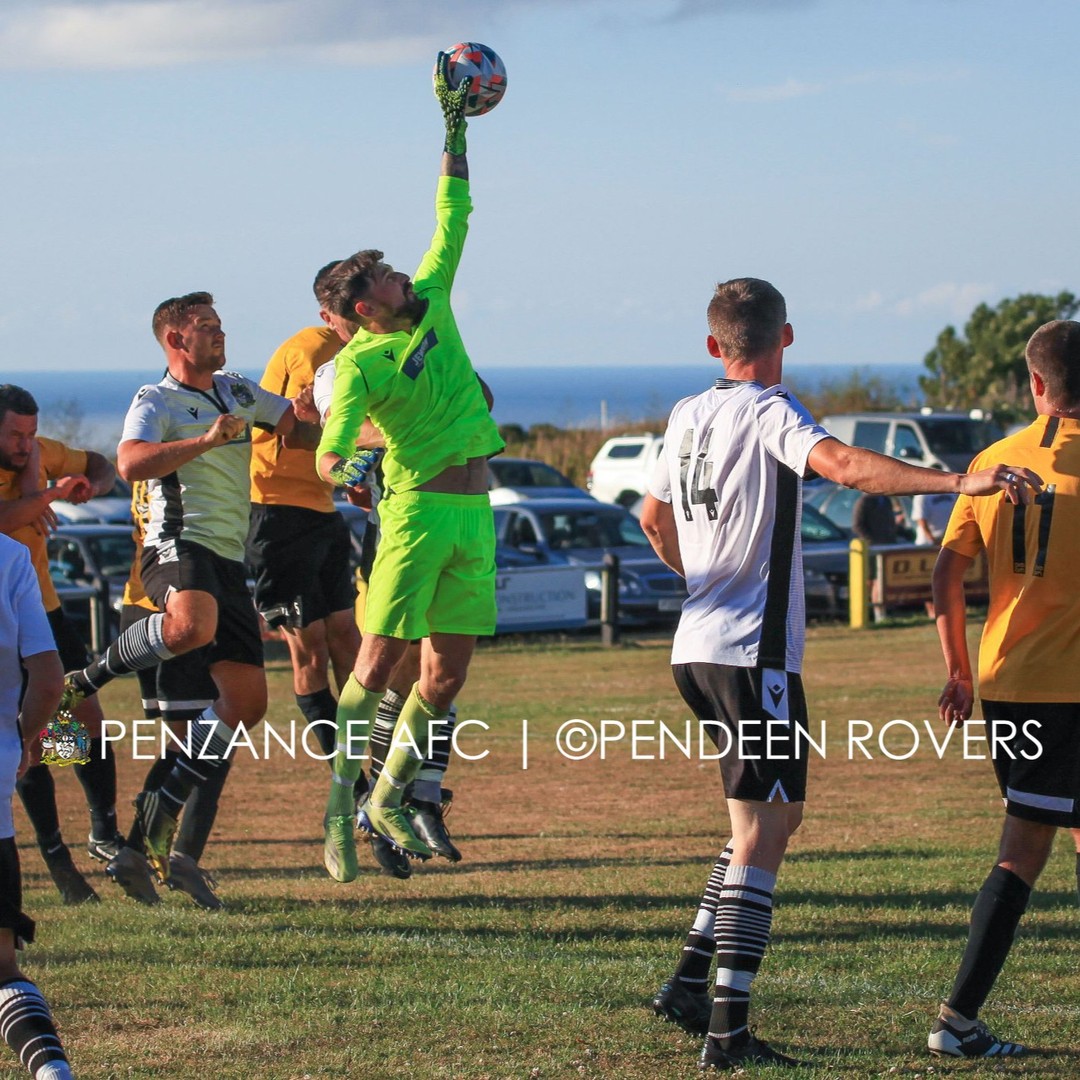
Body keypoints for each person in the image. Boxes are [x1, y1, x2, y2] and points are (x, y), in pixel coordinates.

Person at [638, 277, 1041, 1070]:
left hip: (697, 645)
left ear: (715, 346)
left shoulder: (687, 414)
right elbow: (848, 467)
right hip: (754, 654)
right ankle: (727, 1032)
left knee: (769, 821)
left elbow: (653, 518)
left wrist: (701, 583)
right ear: (785, 338)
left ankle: (690, 982)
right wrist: (963, 481)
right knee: (763, 833)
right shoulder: (769, 410)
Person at [56, 292, 322, 884]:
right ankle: (87, 687)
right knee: (188, 628)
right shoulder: (156, 399)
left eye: (220, 324)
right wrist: (205, 441)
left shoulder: (237, 390)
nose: (220, 334)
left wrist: (309, 413)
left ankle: (148, 833)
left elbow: (296, 433)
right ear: (176, 340)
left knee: (247, 704)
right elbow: (128, 463)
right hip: (176, 545)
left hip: (228, 560)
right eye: (207, 327)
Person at [313, 55, 504, 880]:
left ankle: (388, 797)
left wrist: (454, 132)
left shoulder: (432, 295)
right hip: (417, 511)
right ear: (367, 307)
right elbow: (329, 451)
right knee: (373, 665)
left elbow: (453, 216)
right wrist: (351, 463)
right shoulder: (357, 365)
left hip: (472, 514)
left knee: (446, 674)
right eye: (389, 276)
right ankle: (336, 809)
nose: (406, 274)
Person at [926, 318, 1080, 1059]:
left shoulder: (994, 460)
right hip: (1066, 692)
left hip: (1006, 683)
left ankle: (959, 1020)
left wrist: (958, 667)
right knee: (1023, 849)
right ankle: (956, 1021)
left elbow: (946, 575)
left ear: (1038, 385)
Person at [0, 383, 121, 905]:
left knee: (80, 718)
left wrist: (86, 486)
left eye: (30, 433)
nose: (26, 445)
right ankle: (57, 862)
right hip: (4, 615)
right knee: (26, 741)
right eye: (14, 434)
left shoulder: (41, 453)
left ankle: (104, 835)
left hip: (44, 608)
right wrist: (46, 495)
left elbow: (103, 463)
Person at [105, 480, 223, 909]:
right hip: (173, 607)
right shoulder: (183, 440)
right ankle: (159, 853)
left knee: (189, 742)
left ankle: (140, 849)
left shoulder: (151, 440)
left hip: (142, 601)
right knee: (210, 739)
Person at [0, 532, 74, 1079]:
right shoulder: (10, 555)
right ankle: (53, 1073)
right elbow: (49, 680)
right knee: (3, 968)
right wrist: (26, 740)